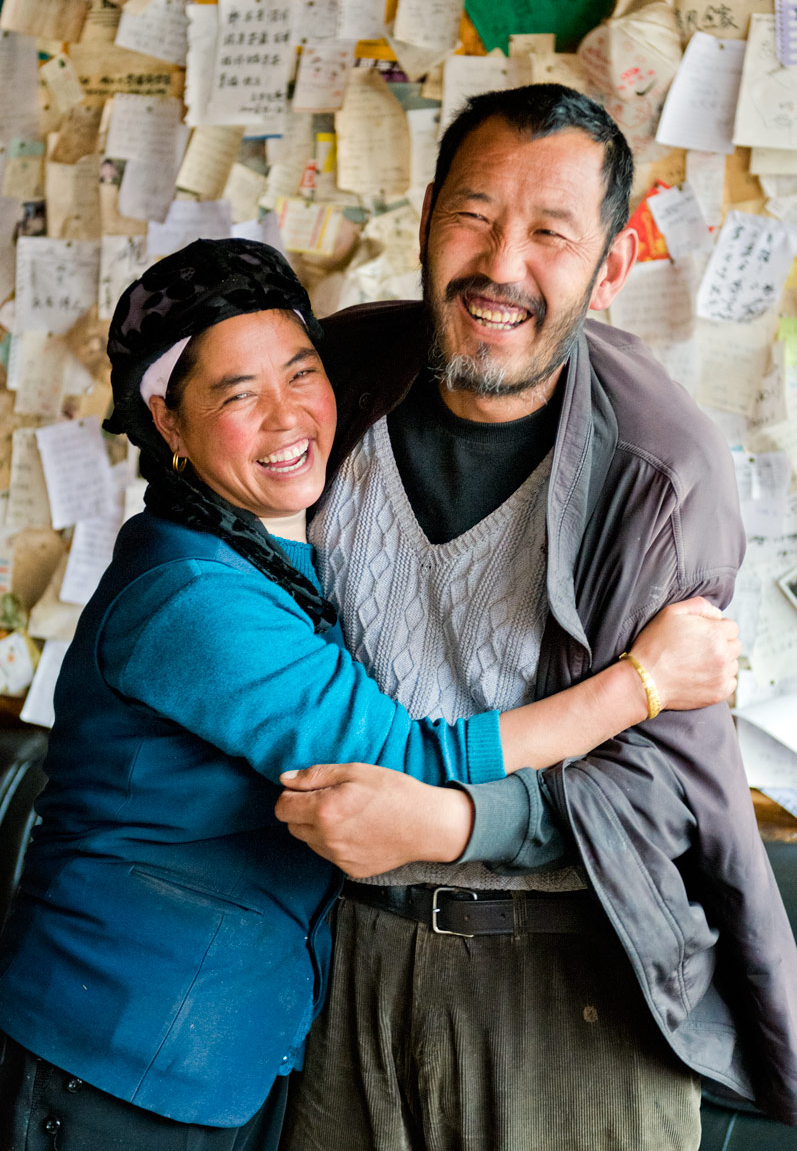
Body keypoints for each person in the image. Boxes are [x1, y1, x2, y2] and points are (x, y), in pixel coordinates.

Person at [0, 239, 737, 1151]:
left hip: (218, 1052)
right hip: (120, 1052)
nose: (287, 417)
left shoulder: (266, 554)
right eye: (237, 395)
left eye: (301, 373)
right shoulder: (192, 598)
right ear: (168, 421)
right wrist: (643, 682)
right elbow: (398, 759)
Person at [276, 84, 797, 1150]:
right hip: (341, 965)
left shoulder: (658, 469)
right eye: (473, 214)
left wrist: (453, 822)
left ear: (608, 266)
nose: (499, 266)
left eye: (549, 234)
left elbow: (660, 786)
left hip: (570, 983)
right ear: (426, 218)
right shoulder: (336, 382)